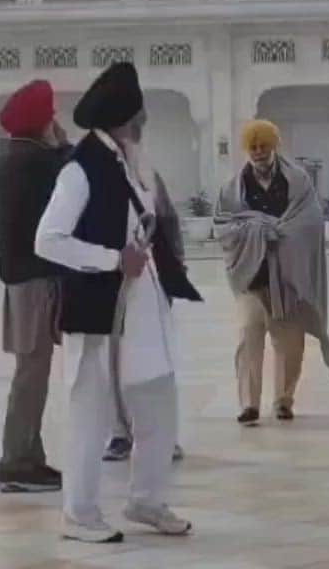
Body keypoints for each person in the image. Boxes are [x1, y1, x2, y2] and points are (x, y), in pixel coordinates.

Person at [35, 62, 202, 543]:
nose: (144, 123)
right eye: (140, 116)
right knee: (91, 415)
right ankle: (79, 513)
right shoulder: (81, 169)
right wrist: (111, 258)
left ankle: (146, 500)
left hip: (145, 313)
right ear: (127, 119)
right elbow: (48, 240)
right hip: (100, 314)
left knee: (158, 409)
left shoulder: (128, 163)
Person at [215, 120, 329, 426]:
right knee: (248, 334)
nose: (257, 153)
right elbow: (224, 227)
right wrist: (257, 229)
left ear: (274, 146)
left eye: (263, 146)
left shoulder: (297, 180)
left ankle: (283, 400)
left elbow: (310, 220)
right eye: (252, 147)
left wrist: (280, 232)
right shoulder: (233, 187)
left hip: (288, 277)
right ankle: (248, 404)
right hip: (251, 277)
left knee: (289, 341)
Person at [0, 79, 71, 493]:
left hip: (21, 281)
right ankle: (17, 461)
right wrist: (62, 143)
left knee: (31, 369)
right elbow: (74, 169)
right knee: (32, 372)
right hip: (33, 282)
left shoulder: (9, 158)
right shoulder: (34, 162)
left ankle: (29, 455)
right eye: (51, 117)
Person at [104, 171, 187, 464]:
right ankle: (120, 433)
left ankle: (162, 436)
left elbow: (167, 223)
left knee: (153, 361)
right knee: (112, 363)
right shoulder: (87, 174)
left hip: (149, 281)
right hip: (107, 283)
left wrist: (175, 271)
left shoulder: (145, 176)